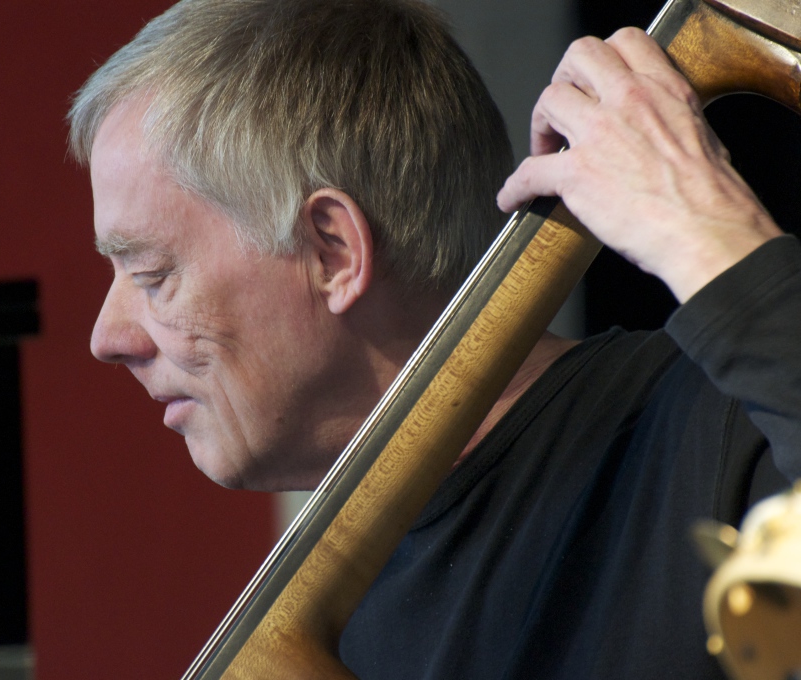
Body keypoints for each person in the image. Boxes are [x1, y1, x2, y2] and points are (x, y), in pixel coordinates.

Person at [67, 0, 801, 677]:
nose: (106, 336)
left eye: (153, 273)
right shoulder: (328, 620)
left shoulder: (724, 425)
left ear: (333, 252)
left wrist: (708, 231)